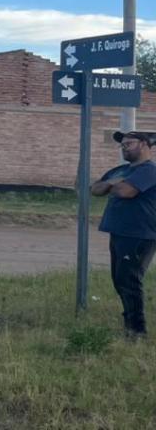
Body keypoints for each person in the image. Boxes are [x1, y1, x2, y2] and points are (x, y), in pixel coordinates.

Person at [91, 130, 156, 338]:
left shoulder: (149, 171)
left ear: (145, 145)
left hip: (139, 234)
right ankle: (129, 324)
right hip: (119, 232)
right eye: (122, 144)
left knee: (129, 280)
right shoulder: (121, 170)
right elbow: (95, 189)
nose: (124, 147)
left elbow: (126, 192)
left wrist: (113, 184)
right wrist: (114, 183)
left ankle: (137, 331)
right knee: (120, 280)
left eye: (129, 143)